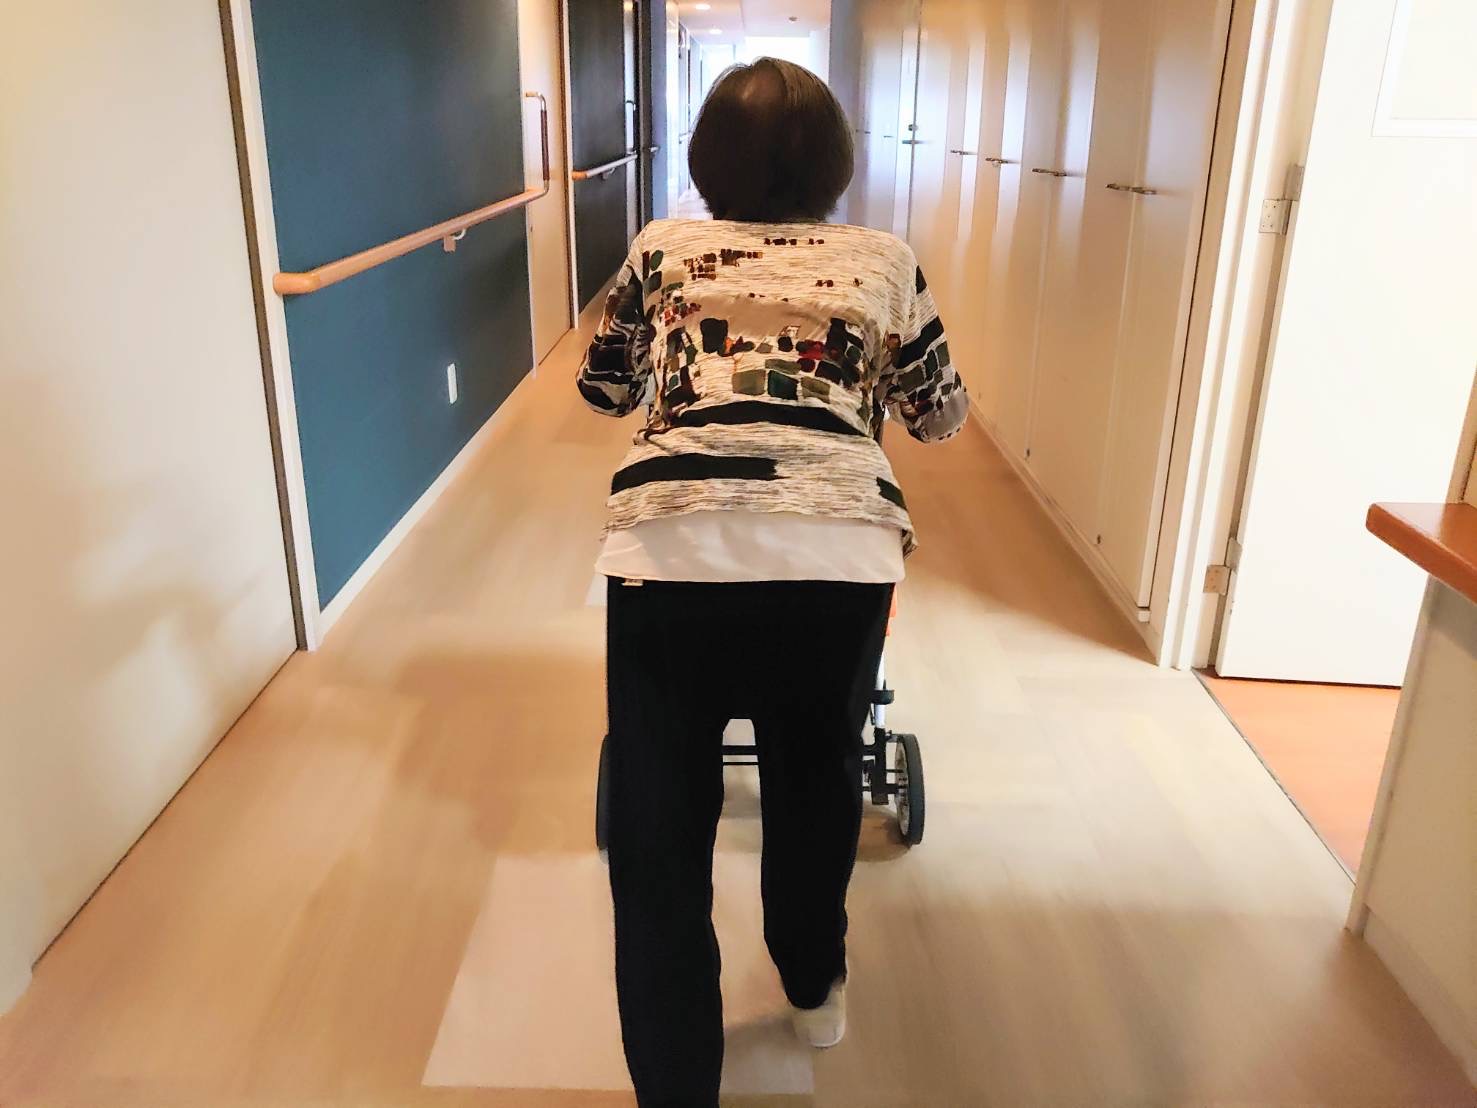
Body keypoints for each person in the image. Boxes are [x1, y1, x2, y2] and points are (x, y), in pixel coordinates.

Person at [576, 57, 968, 1107]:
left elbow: (603, 390)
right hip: (834, 558)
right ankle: (808, 983)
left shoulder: (661, 247)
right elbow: (938, 416)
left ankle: (676, 1085)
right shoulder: (884, 259)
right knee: (814, 785)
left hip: (670, 556)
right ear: (836, 166)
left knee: (658, 833)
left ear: (706, 161)